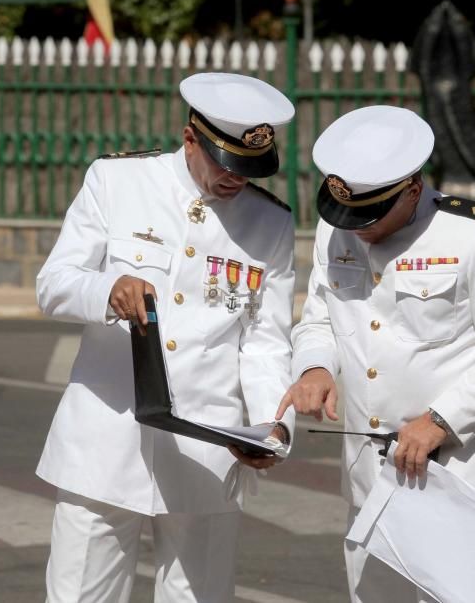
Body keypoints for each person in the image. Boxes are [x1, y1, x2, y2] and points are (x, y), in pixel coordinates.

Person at [35, 72, 298, 603]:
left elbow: (265, 339)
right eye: (226, 165)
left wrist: (272, 426)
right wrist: (109, 290)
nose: (235, 181)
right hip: (106, 440)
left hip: (207, 444)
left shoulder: (269, 222)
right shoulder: (117, 182)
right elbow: (54, 285)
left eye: (249, 170)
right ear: (189, 138)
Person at [276, 105, 475, 603]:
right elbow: (318, 318)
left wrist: (440, 420)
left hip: (454, 477)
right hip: (367, 477)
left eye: (370, 215)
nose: (357, 228)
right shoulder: (339, 232)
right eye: (347, 214)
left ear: (413, 189)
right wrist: (314, 366)